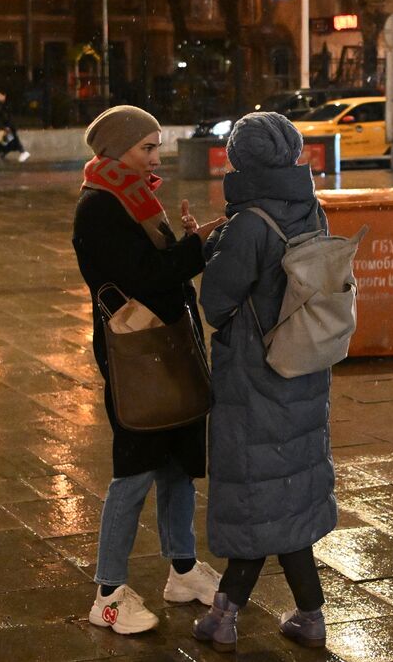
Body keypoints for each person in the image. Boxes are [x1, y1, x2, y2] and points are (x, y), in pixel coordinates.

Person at [72, 105, 227, 636]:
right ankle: (108, 594)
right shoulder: (100, 207)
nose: (155, 157)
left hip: (168, 343)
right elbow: (146, 275)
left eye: (156, 146)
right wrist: (195, 250)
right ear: (116, 150)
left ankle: (182, 570)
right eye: (147, 148)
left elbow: (162, 266)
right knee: (135, 468)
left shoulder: (136, 197)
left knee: (179, 461)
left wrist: (188, 243)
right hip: (135, 354)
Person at [193, 112, 336, 652]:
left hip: (255, 377)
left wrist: (218, 250)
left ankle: (224, 616)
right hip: (304, 368)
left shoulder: (250, 222)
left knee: (258, 497)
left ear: (240, 162)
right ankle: (310, 616)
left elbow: (217, 303)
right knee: (289, 495)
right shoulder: (310, 209)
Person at [0, 89, 31, 164]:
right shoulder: (0, 103)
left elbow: (4, 114)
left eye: (0, 96)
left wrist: (7, 124)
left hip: (5, 124)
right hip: (4, 124)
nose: (0, 97)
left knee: (3, 136)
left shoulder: (4, 104)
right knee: (8, 138)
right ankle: (22, 151)